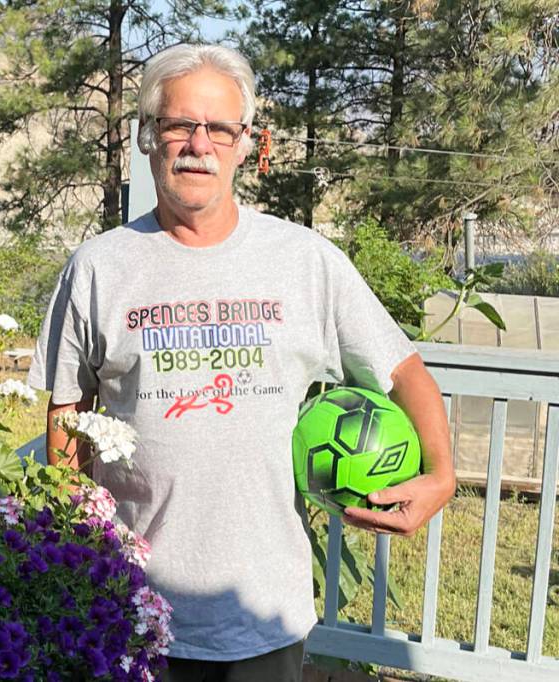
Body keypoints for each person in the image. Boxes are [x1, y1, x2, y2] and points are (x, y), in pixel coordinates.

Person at [28, 44, 455, 682]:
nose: (198, 144)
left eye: (220, 128)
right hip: (130, 605)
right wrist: (71, 539)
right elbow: (67, 413)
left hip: (264, 610)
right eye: (179, 125)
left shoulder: (305, 260)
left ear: (248, 143)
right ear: (150, 138)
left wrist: (442, 476)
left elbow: (404, 373)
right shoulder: (98, 267)